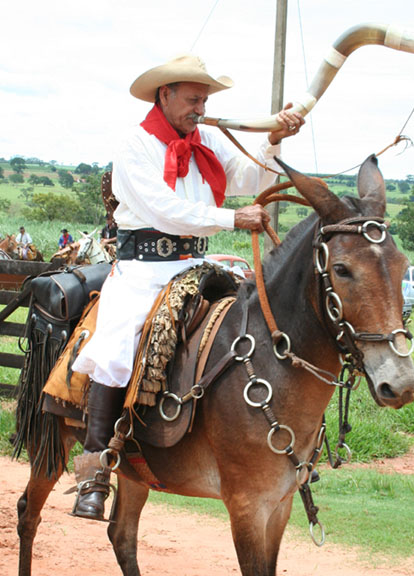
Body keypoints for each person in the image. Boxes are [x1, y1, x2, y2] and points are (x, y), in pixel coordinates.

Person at [70, 53, 304, 520]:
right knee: (117, 343)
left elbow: (248, 177)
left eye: (205, 99)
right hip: (142, 270)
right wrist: (231, 218)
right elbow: (162, 209)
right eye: (194, 98)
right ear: (166, 94)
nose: (200, 107)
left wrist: (273, 140)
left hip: (197, 261)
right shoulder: (136, 145)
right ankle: (96, 470)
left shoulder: (209, 139)